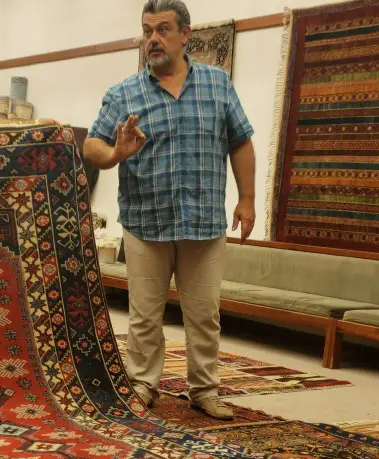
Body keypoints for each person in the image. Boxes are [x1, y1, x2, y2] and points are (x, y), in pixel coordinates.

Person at [84, 0, 255, 420]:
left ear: (185, 35)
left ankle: (205, 390)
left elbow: (241, 141)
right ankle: (143, 384)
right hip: (146, 221)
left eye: (162, 29)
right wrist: (116, 152)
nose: (153, 39)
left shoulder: (217, 84)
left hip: (203, 221)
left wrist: (248, 198)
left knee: (203, 314)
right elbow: (92, 145)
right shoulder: (124, 92)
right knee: (145, 314)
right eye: (147, 31)